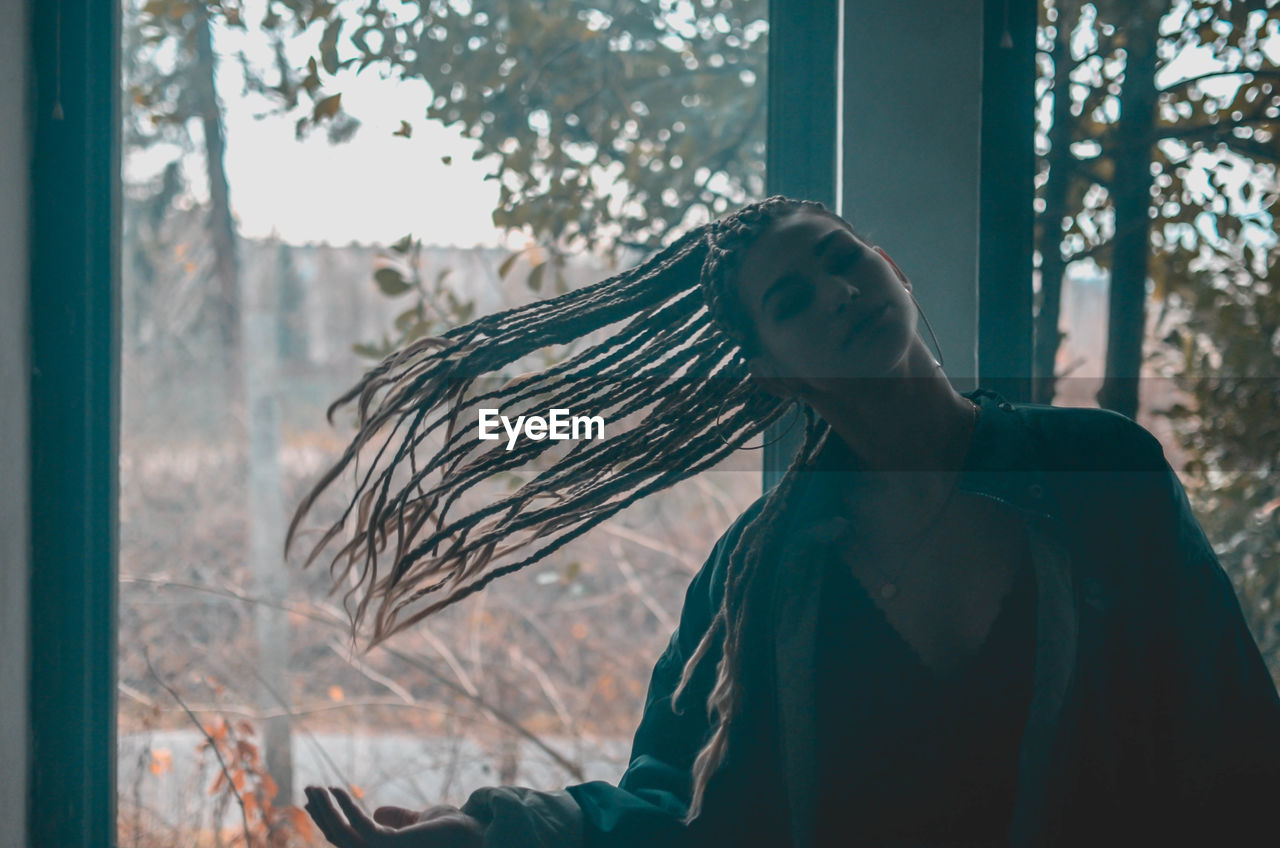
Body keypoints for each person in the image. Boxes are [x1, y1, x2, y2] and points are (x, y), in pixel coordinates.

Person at [290, 196, 1280, 847]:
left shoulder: (1096, 466)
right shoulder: (755, 569)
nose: (840, 291)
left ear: (891, 266)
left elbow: (1230, 740)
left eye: (845, 259)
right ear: (769, 368)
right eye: (794, 298)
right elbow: (679, 810)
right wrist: (493, 829)